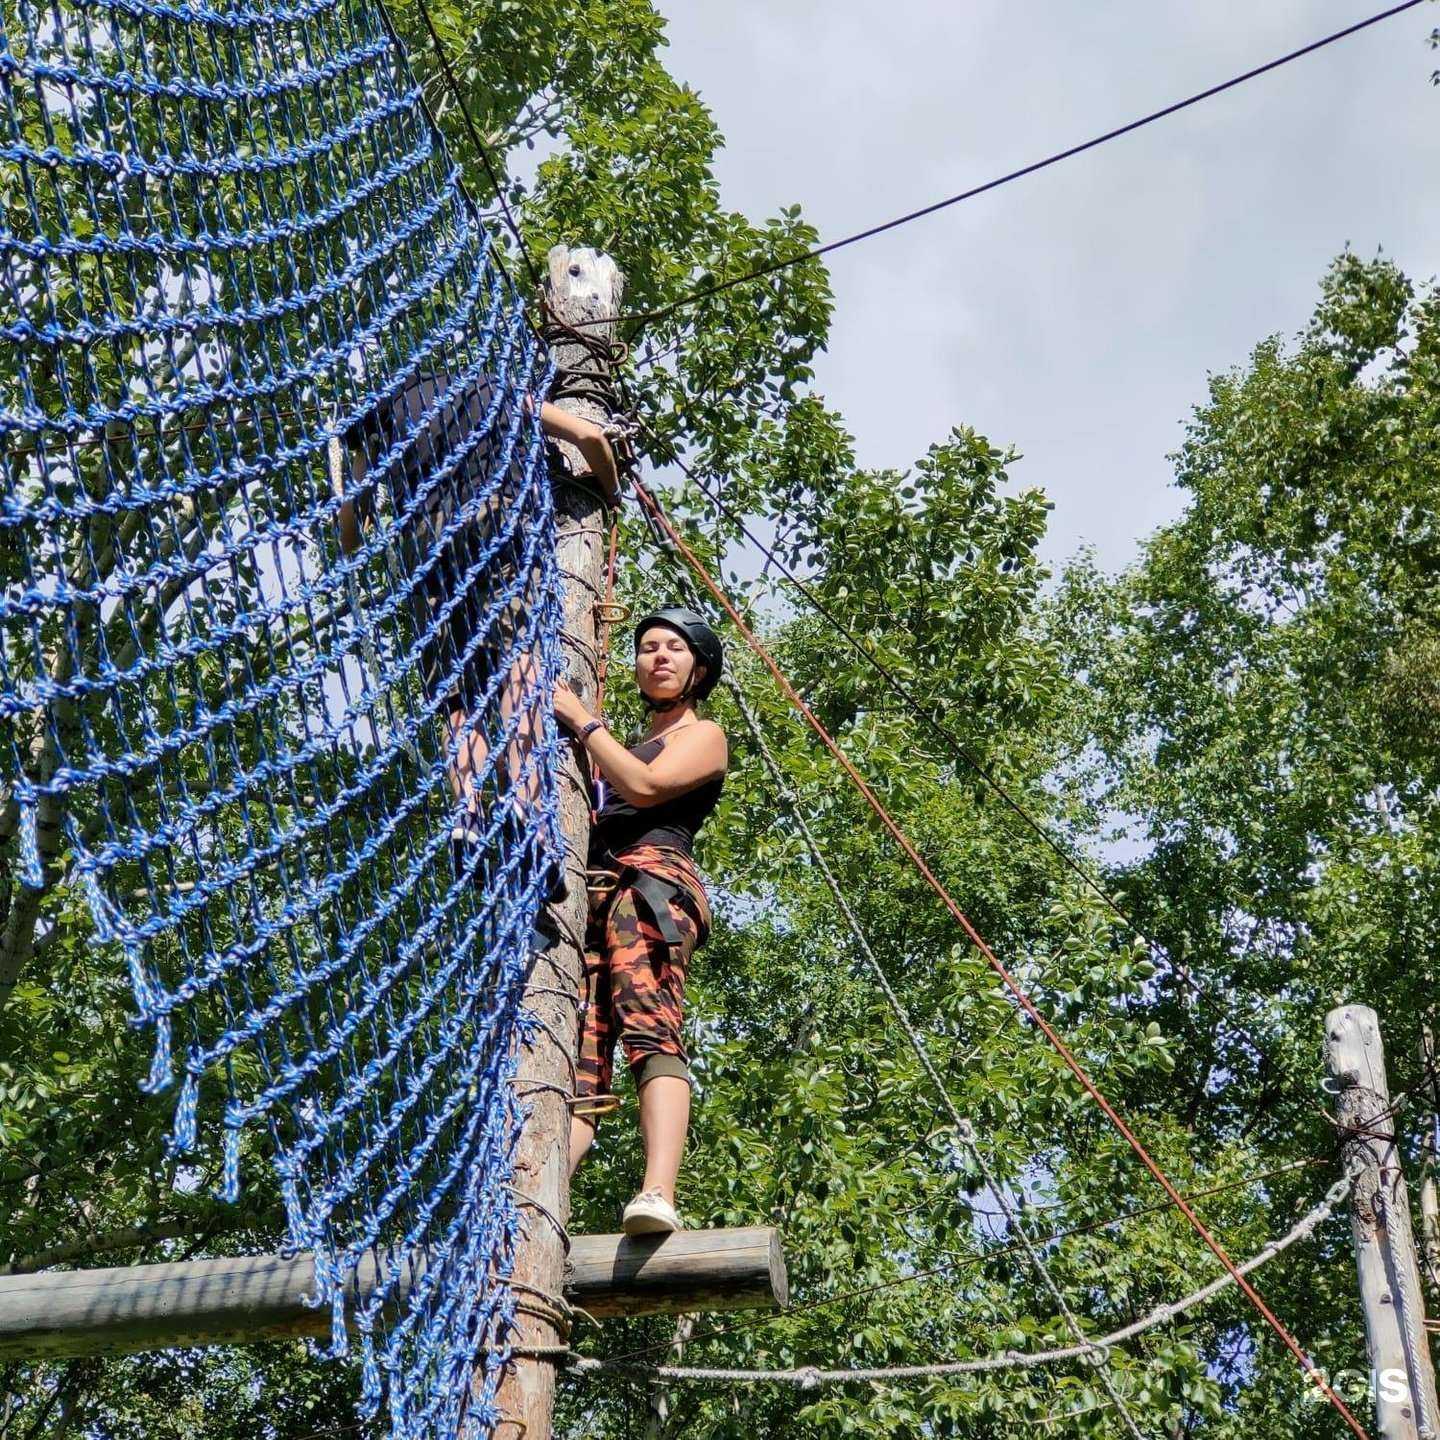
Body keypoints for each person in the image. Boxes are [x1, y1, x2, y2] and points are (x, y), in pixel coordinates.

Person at [335, 370, 619, 876]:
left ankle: (468, 810)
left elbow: (352, 530)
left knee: (457, 695)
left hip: (427, 545)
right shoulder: (497, 388)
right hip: (497, 526)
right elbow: (589, 435)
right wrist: (609, 490)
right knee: (519, 666)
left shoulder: (379, 414)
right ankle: (526, 810)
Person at [553, 608, 728, 1235]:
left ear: (697, 669)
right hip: (590, 901)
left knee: (648, 1025)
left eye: (673, 649)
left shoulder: (703, 736)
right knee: (578, 1060)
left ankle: (657, 1192)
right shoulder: (610, 748)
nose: (658, 656)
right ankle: (530, 1206)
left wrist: (581, 720)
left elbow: (649, 786)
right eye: (647, 647)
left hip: (649, 886)